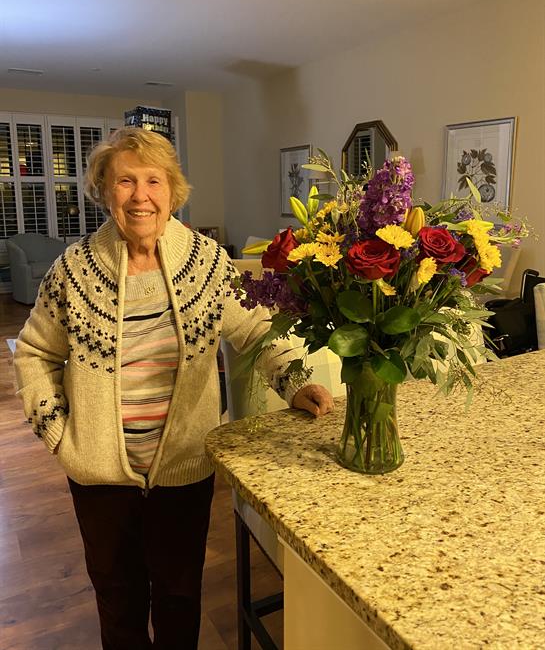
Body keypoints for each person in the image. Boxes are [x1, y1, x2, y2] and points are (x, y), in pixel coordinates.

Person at [14, 127, 333, 650]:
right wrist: (58, 433)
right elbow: (34, 354)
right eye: (125, 181)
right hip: (99, 476)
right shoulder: (72, 271)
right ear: (104, 190)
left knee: (180, 596)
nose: (140, 195)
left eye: (153, 180)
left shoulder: (206, 262)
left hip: (183, 467)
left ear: (172, 190)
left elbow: (256, 330)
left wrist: (294, 382)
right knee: (117, 600)